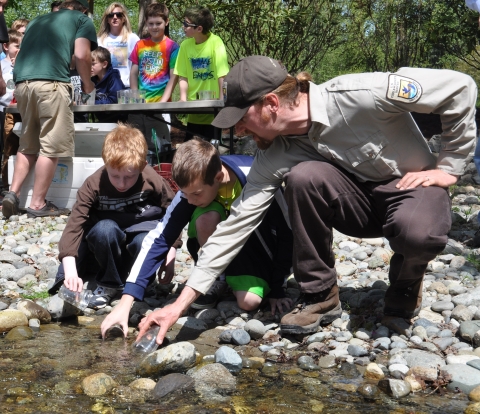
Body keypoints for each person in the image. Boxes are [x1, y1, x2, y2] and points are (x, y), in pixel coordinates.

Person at [135, 55, 477, 344]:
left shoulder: (360, 94)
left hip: (409, 190)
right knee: (302, 177)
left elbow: (460, 88)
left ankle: (406, 283)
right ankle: (320, 295)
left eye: (242, 120)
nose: (238, 131)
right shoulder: (275, 154)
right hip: (356, 207)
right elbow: (237, 223)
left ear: (270, 104)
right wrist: (179, 305)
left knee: (418, 234)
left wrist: (449, 166)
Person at [100, 138, 293, 336]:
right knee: (205, 218)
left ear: (218, 177)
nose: (189, 201)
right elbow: (159, 238)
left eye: (196, 194)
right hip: (217, 239)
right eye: (185, 194)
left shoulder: (256, 176)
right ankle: (218, 278)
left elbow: (288, 232)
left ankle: (238, 278)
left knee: (249, 302)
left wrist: (278, 286)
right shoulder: (192, 189)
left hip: (254, 245)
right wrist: (125, 301)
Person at [48, 124, 180, 309]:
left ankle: (142, 280)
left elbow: (172, 212)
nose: (121, 183)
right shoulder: (93, 184)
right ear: (106, 163)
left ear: (142, 166)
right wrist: (70, 271)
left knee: (145, 240)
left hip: (140, 232)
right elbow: (75, 225)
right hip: (107, 242)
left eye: (129, 177)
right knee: (104, 229)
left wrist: (171, 252)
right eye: (115, 176)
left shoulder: (152, 178)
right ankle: (109, 283)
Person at [1, 0, 97, 219]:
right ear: (83, 8)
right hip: (52, 85)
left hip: (23, 85)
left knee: (28, 143)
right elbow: (82, 55)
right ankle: (37, 203)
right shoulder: (82, 20)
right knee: (51, 145)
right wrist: (88, 85)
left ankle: (13, 194)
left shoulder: (39, 20)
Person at [128, 2, 179, 151]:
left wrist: (163, 103)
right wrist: (135, 96)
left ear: (166, 22)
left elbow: (173, 77)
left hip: (160, 105)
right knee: (135, 146)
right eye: (151, 23)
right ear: (146, 23)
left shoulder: (172, 46)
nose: (154, 27)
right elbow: (133, 72)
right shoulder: (140, 45)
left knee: (160, 149)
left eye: (158, 23)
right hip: (140, 105)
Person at [174, 5, 229, 141]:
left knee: (211, 153)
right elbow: (183, 75)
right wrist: (183, 98)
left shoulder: (216, 42)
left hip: (213, 111)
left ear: (199, 28)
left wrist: (222, 101)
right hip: (194, 110)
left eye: (186, 24)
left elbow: (222, 75)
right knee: (192, 153)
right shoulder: (185, 46)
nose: (183, 26)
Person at [97, 2, 139, 88]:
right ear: (107, 19)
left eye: (119, 15)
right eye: (111, 15)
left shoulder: (133, 38)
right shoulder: (100, 40)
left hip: (128, 87)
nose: (115, 17)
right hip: (106, 87)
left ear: (124, 19)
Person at [0, 29, 22, 191]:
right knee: (6, 147)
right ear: (6, 46)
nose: (19, 49)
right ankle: (5, 183)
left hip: (20, 111)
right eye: (17, 46)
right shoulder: (2, 65)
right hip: (4, 110)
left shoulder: (24, 63)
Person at [91, 46, 125, 122]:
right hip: (103, 121)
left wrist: (91, 102)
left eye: (93, 64)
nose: (90, 67)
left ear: (104, 64)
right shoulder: (91, 80)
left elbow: (114, 101)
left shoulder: (114, 78)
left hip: (119, 121)